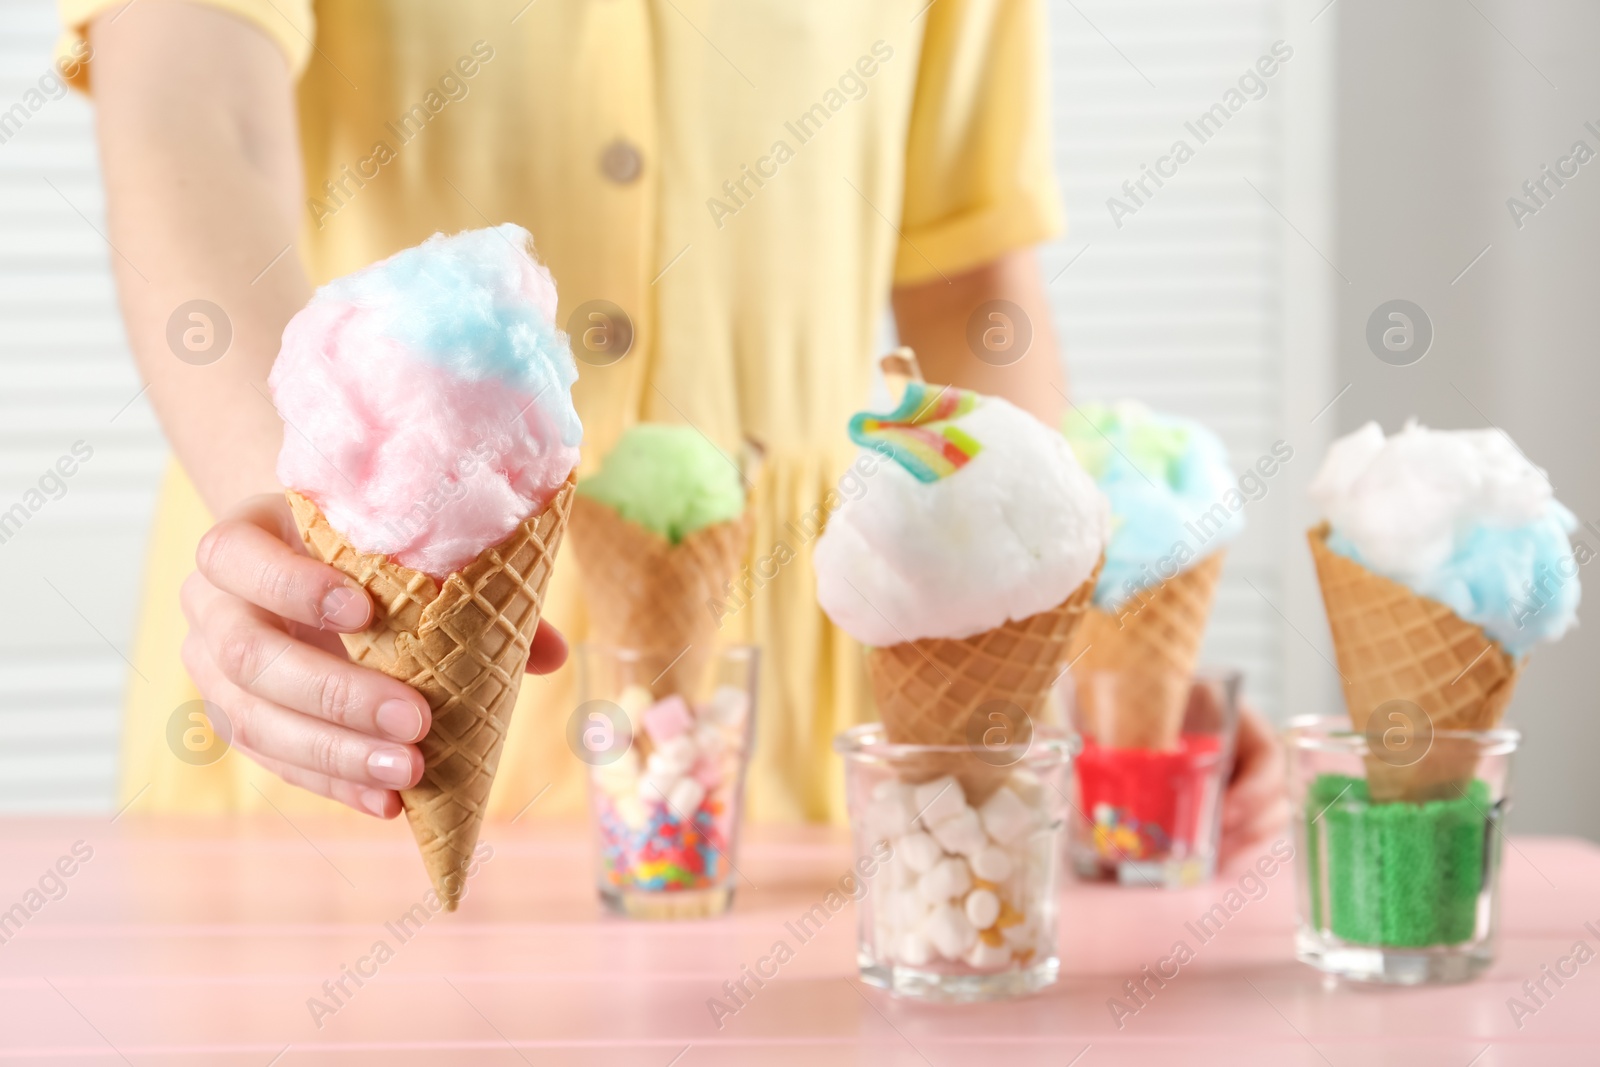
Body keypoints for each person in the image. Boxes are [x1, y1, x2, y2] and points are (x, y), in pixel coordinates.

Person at [61, 0, 1284, 860]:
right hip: (342, 658)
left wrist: (1072, 651)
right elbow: (188, 118)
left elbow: (968, 283)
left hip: (787, 704)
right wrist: (298, 511)